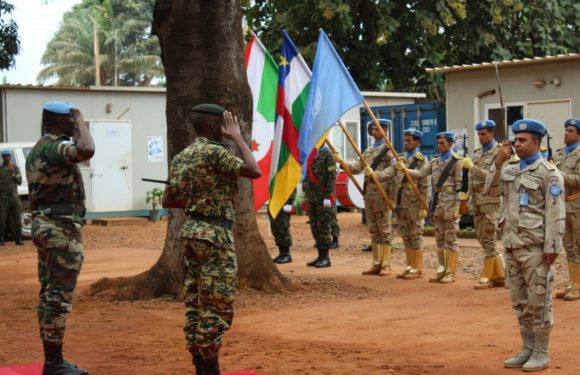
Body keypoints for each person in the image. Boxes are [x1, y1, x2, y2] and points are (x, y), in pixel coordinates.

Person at [162, 104, 261, 375]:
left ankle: (199, 365)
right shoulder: (217, 152)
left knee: (195, 302)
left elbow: (168, 200)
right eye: (225, 124)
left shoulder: (182, 156)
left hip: (192, 232)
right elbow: (253, 170)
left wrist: (197, 194)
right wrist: (238, 137)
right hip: (215, 235)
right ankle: (210, 368)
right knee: (217, 306)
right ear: (217, 127)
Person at [486, 119, 564, 371]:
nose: (516, 144)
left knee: (539, 301)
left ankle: (541, 351)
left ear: (536, 143)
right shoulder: (510, 169)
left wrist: (552, 248)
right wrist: (497, 163)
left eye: (522, 140)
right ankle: (527, 347)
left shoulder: (549, 173)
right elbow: (489, 191)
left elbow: (555, 213)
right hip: (511, 245)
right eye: (515, 140)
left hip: (536, 248)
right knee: (519, 301)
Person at [26, 101, 95, 375]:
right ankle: (53, 363)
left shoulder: (42, 147)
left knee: (49, 295)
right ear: (58, 122)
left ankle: (52, 360)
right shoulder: (54, 147)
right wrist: (81, 122)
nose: (74, 122)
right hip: (59, 230)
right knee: (58, 297)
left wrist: (75, 123)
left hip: (48, 227)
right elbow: (87, 149)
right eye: (69, 119)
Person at [399, 131, 463, 283]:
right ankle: (441, 269)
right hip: (438, 203)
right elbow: (421, 173)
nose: (439, 146)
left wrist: (458, 208)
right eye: (438, 143)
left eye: (443, 143)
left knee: (451, 238)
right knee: (439, 238)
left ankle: (451, 272)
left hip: (450, 203)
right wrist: (405, 170)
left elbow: (460, 187)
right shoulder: (434, 161)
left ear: (450, 144)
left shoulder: (456, 162)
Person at [335, 119, 396, 276]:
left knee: (384, 229)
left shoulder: (389, 150)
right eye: (373, 129)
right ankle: (376, 263)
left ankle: (386, 265)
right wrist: (342, 162)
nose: (374, 132)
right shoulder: (368, 150)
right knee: (374, 229)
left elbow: (394, 172)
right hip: (369, 193)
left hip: (382, 194)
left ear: (385, 130)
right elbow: (356, 168)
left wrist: (377, 177)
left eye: (377, 129)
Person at [462, 120, 505, 289]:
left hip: (490, 199)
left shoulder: (500, 153)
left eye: (484, 134)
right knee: (481, 236)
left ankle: (488, 276)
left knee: (489, 236)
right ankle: (500, 274)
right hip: (478, 200)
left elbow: (494, 176)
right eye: (479, 134)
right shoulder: (478, 153)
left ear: (492, 134)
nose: (480, 137)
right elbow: (472, 180)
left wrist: (472, 167)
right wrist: (467, 198)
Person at [393, 129, 431, 280]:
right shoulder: (399, 159)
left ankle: (418, 268)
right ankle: (409, 266)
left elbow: (426, 185)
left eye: (409, 140)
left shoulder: (421, 160)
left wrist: (424, 206)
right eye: (405, 140)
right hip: (401, 203)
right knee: (405, 235)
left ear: (417, 142)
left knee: (416, 235)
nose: (406, 143)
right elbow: (394, 179)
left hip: (414, 204)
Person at [552, 118, 580, 301]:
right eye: (565, 130)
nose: (566, 133)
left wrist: (558, 174)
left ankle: (577, 286)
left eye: (570, 130)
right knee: (569, 247)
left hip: (577, 205)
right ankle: (573, 282)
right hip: (563, 206)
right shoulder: (560, 154)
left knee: (578, 246)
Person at [303, 144, 336, 268]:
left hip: (323, 196)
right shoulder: (311, 152)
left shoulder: (327, 153)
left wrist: (328, 196)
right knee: (314, 226)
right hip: (312, 195)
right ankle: (319, 255)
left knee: (323, 226)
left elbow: (332, 176)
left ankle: (325, 257)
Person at [0, 149, 24, 245]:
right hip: (2, 198)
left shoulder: (15, 168)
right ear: (2, 157)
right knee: (2, 219)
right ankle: (1, 239)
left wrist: (13, 174)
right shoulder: (0, 169)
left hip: (14, 196)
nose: (7, 158)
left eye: (9, 156)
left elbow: (19, 181)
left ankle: (18, 238)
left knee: (17, 217)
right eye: (5, 156)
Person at [270, 189, 296, 264]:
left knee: (283, 228)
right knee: (275, 228)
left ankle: (286, 254)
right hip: (275, 202)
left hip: (284, 203)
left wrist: (289, 202)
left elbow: (292, 186)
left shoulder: (287, 176)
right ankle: (281, 253)